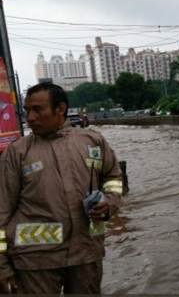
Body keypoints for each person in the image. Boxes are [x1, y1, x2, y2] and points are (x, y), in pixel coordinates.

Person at [0, 83, 123, 294]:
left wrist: (108, 204)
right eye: (27, 110)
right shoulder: (17, 153)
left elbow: (114, 180)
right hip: (35, 262)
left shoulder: (92, 142)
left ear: (60, 109)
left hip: (86, 255)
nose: (30, 118)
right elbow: (1, 212)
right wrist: (2, 267)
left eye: (38, 110)